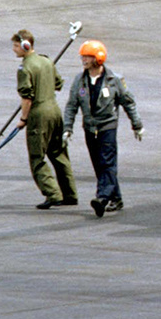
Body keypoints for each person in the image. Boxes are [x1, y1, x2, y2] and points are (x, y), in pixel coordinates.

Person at [62, 40, 143, 218]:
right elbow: (71, 106)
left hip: (108, 127)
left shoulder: (114, 80)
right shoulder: (79, 80)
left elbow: (128, 102)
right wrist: (67, 128)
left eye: (88, 56)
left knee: (107, 163)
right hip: (90, 129)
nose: (83, 59)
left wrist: (136, 125)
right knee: (99, 165)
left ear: (98, 58)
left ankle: (102, 198)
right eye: (83, 56)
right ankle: (116, 198)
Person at [12, 29, 76, 209]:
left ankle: (53, 194)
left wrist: (23, 119)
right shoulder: (46, 61)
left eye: (16, 46)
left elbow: (27, 98)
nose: (14, 49)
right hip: (55, 111)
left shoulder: (25, 68)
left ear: (26, 46)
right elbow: (58, 84)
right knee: (59, 153)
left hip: (39, 115)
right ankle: (70, 194)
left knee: (36, 157)